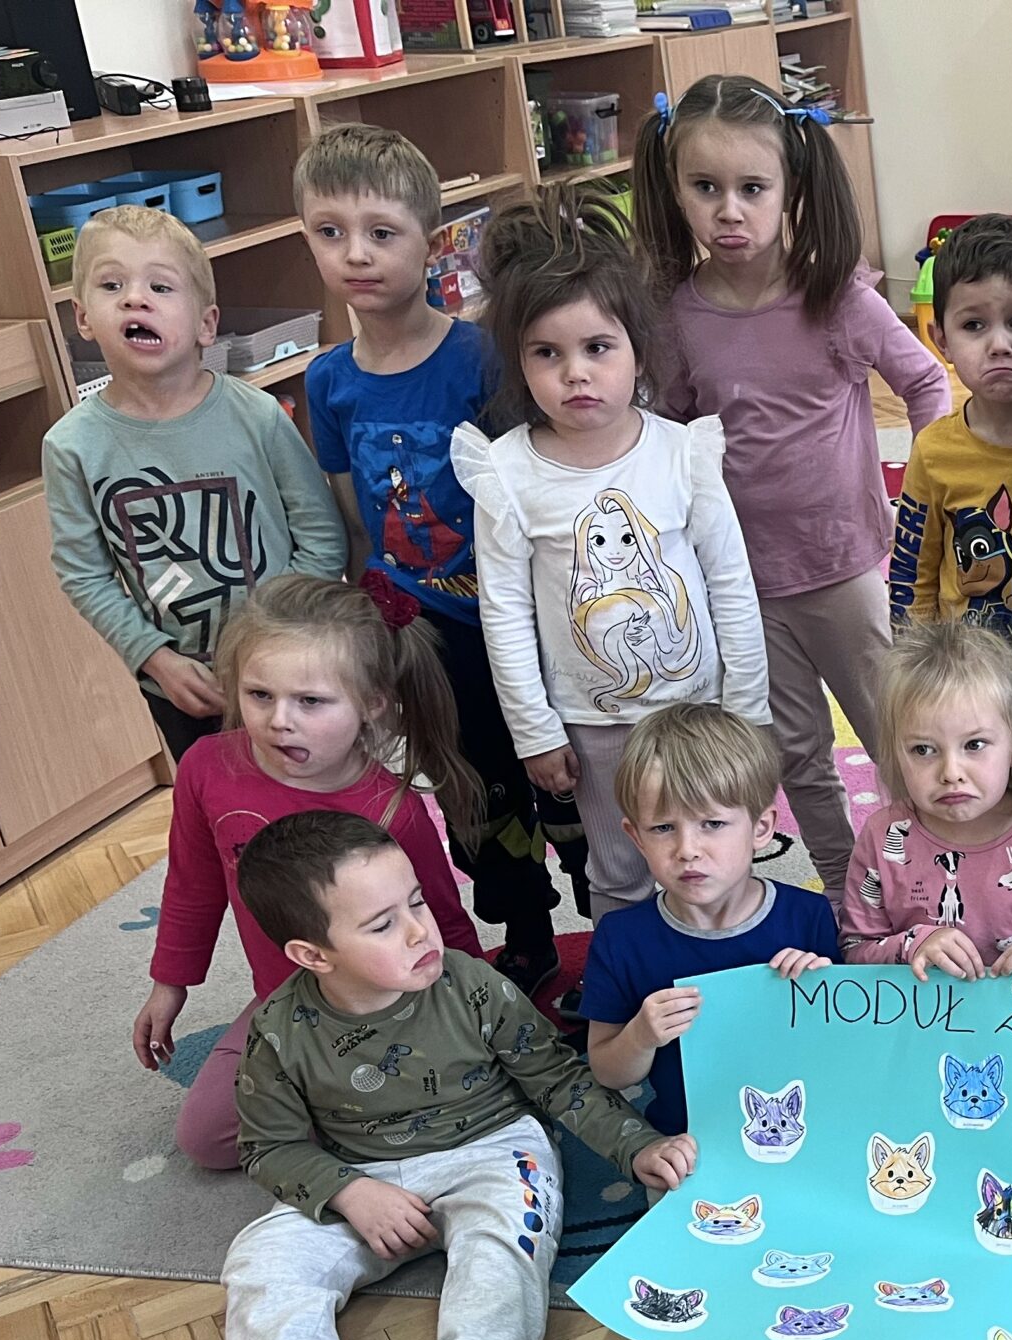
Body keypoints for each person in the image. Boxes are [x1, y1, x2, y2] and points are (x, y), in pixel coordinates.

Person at [179, 811, 693, 1340]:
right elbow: (269, 1147)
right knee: (263, 1257)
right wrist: (348, 1192)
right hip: (358, 1173)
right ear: (312, 954)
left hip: (493, 1148)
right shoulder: (281, 1030)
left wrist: (636, 1146)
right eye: (383, 923)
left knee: (505, 1240)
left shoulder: (470, 984)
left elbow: (559, 1081)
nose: (421, 930)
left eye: (417, 901)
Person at [635, 72, 950, 903]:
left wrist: (924, 499)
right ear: (676, 190)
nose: (728, 211)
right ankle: (850, 894)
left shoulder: (836, 296)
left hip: (845, 571)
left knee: (896, 741)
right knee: (796, 754)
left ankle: (926, 880)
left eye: (752, 188)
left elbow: (927, 385)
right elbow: (668, 433)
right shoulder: (678, 315)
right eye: (705, 188)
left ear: (791, 187)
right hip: (742, 583)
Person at [296, 123, 584, 991]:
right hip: (424, 638)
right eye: (330, 232)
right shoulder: (327, 380)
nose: (356, 254)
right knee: (476, 794)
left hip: (519, 619)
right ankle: (525, 932)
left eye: (381, 232)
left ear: (431, 241)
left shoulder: (482, 357)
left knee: (566, 782)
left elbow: (534, 486)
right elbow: (353, 518)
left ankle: (611, 917)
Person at [576, 706, 901, 1340]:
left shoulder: (809, 920)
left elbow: (859, 1056)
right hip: (695, 1147)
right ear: (633, 838)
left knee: (840, 1221)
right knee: (700, 1239)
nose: (688, 849)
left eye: (712, 825)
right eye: (663, 829)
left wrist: (825, 991)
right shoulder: (624, 939)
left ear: (761, 829)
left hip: (811, 1140)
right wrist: (640, 1034)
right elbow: (605, 1069)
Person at [453, 183, 768, 914]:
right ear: (519, 363)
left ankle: (718, 975)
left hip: (698, 711)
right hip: (591, 724)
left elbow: (729, 581)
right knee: (619, 871)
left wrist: (748, 708)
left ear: (637, 348)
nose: (576, 373)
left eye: (597, 348)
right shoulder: (506, 472)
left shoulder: (682, 453)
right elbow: (504, 612)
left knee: (711, 860)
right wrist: (534, 731)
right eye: (547, 353)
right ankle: (627, 982)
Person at [131, 575, 484, 1173]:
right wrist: (170, 984)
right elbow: (192, 885)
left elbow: (442, 924)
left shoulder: (391, 809)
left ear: (371, 704)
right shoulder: (205, 769)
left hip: (391, 1010)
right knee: (205, 1139)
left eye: (310, 701)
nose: (279, 721)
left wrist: (473, 1019)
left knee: (441, 1111)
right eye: (259, 694)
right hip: (285, 1009)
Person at [43, 205, 342, 762]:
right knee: (223, 805)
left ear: (207, 325)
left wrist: (280, 645)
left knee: (313, 800)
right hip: (181, 687)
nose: (135, 299)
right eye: (112, 285)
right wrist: (154, 658)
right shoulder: (70, 447)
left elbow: (321, 537)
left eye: (160, 286)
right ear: (83, 318)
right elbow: (84, 574)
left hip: (290, 672)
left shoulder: (257, 416)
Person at [889, 214, 1012, 806]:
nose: (999, 343)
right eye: (974, 325)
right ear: (942, 340)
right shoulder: (936, 451)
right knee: (968, 821)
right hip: (963, 702)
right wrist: (921, 682)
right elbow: (913, 579)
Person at [843, 617, 1012, 982]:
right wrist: (913, 945)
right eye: (923, 749)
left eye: (974, 744)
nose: (951, 772)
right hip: (926, 1013)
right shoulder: (882, 836)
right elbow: (855, 949)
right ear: (895, 753)